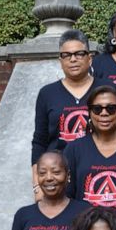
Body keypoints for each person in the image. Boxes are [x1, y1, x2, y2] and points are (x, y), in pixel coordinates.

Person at [64, 84, 116, 210]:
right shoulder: (73, 149)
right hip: (84, 226)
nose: (104, 113)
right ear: (90, 113)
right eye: (97, 109)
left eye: (111, 108)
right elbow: (66, 197)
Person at [31, 29, 95, 164]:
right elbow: (40, 140)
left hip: (96, 167)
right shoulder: (47, 93)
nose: (73, 59)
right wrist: (37, 177)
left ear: (89, 59)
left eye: (79, 54)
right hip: (57, 170)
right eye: (67, 55)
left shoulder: (105, 89)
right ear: (60, 61)